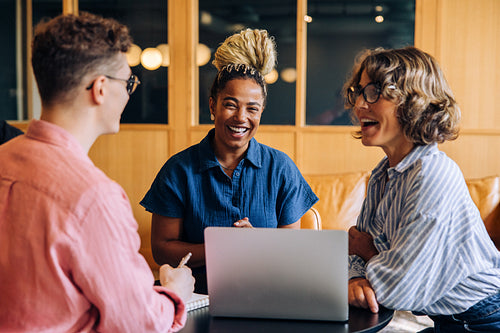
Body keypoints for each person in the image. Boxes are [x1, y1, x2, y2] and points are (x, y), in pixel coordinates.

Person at [0, 12, 194, 332]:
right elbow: (137, 323)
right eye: (129, 82)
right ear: (100, 89)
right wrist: (174, 292)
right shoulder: (93, 196)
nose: (130, 93)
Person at [140, 28, 318, 294]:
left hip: (268, 293)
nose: (241, 117)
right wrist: (221, 248)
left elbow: (292, 247)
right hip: (198, 295)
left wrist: (254, 242)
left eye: (252, 108)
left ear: (261, 112)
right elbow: (162, 249)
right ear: (213, 106)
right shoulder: (178, 170)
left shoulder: (280, 168)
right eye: (231, 104)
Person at [344, 46, 500, 332]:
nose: (359, 106)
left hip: (484, 320)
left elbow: (398, 288)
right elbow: (354, 252)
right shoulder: (382, 175)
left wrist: (367, 252)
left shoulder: (433, 175)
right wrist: (355, 278)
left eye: (374, 92)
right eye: (360, 91)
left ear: (413, 102)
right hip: (445, 320)